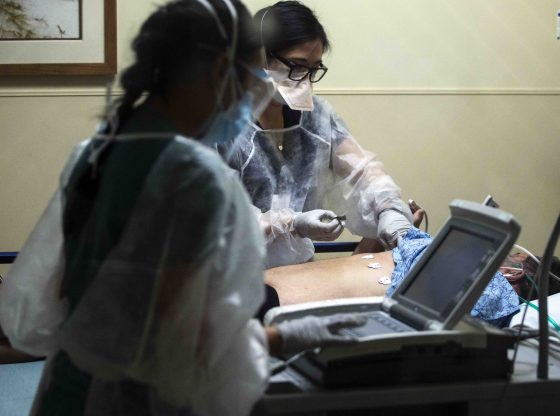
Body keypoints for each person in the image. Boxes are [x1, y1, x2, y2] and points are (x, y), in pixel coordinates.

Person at [0, 1, 365, 415]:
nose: (257, 93)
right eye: (253, 77)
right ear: (219, 72)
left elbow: (40, 310)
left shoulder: (96, 152)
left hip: (66, 390)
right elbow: (193, 344)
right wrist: (285, 337)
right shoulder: (195, 180)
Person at [216, 0, 414, 269]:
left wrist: (389, 209)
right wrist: (291, 223)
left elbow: (362, 170)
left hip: (299, 271)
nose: (305, 80)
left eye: (313, 69)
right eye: (297, 65)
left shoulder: (315, 118)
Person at [266, 225, 522, 328]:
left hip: (270, 309)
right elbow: (354, 268)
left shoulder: (493, 288)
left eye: (514, 256)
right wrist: (385, 232)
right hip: (264, 292)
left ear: (515, 272)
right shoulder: (439, 256)